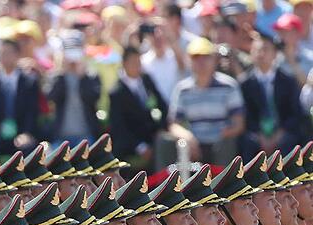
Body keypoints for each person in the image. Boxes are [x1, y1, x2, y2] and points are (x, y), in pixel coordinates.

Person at [166, 37, 247, 165]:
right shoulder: (182, 89)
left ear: (214, 60)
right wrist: (187, 137)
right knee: (170, 143)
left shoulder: (229, 86)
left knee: (226, 146)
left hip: (221, 143)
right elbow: (174, 124)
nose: (201, 62)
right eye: (196, 57)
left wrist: (221, 135)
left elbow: (239, 124)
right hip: (194, 145)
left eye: (205, 57)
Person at [240, 33, 310, 158]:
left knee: (291, 142)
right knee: (247, 143)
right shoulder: (245, 83)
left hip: (283, 132)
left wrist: (280, 133)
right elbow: (246, 115)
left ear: (275, 54)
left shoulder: (288, 81)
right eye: (257, 50)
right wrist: (259, 134)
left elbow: (294, 112)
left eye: (265, 49)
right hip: (257, 134)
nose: (261, 54)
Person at [0, 38, 41, 163]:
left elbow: (32, 111)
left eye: (9, 53)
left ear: (17, 55)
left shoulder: (29, 81)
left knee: (29, 149)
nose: (5, 57)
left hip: (21, 133)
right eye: (2, 53)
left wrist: (27, 133)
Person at [109, 45, 171, 169]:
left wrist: (161, 129)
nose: (137, 66)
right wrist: (140, 147)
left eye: (139, 62)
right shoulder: (117, 92)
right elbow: (119, 127)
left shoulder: (146, 80)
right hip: (131, 146)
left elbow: (163, 105)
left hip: (152, 138)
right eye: (133, 62)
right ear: (124, 64)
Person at [45, 33, 102, 145]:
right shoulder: (56, 76)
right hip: (61, 137)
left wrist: (83, 77)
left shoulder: (91, 76)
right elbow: (51, 97)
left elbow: (93, 98)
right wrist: (62, 73)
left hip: (86, 136)